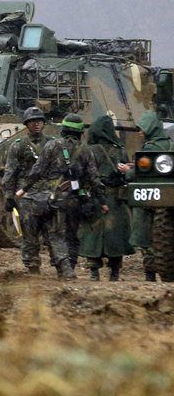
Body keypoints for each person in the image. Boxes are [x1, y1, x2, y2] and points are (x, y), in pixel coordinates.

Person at [17, 113, 106, 278]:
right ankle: (69, 267)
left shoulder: (52, 145)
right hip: (75, 199)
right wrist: (102, 201)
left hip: (54, 198)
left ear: (63, 129)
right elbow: (94, 178)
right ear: (80, 131)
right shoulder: (86, 150)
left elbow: (38, 170)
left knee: (57, 235)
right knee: (72, 236)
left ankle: (66, 271)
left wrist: (24, 189)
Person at [79, 115, 135, 281]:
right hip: (116, 199)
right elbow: (126, 175)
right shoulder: (121, 150)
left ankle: (94, 271)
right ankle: (115, 271)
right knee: (115, 235)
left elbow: (84, 174)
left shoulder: (90, 150)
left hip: (96, 196)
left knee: (92, 234)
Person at [2, 107, 53, 274]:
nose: (37, 124)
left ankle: (61, 264)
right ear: (27, 124)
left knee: (54, 234)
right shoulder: (18, 146)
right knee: (29, 235)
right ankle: (32, 266)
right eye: (33, 121)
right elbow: (10, 171)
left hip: (49, 194)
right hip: (26, 196)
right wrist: (9, 195)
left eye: (39, 121)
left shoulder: (52, 144)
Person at [130, 111, 173, 282]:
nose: (140, 132)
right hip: (161, 196)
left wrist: (129, 171)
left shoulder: (150, 147)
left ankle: (151, 275)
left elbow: (137, 174)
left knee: (147, 238)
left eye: (142, 129)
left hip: (151, 202)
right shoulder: (168, 144)